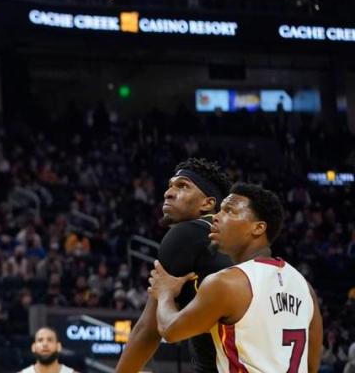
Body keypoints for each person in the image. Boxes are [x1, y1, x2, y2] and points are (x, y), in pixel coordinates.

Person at [149, 183, 323, 373]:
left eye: (229, 211)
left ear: (258, 228)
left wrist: (165, 293)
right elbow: (311, 366)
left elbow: (170, 330)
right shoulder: (305, 288)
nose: (215, 217)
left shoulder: (225, 283)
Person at [116, 158, 232, 373]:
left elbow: (148, 330)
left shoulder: (188, 233)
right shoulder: (240, 245)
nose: (168, 193)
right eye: (170, 186)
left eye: (183, 186)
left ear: (208, 203)